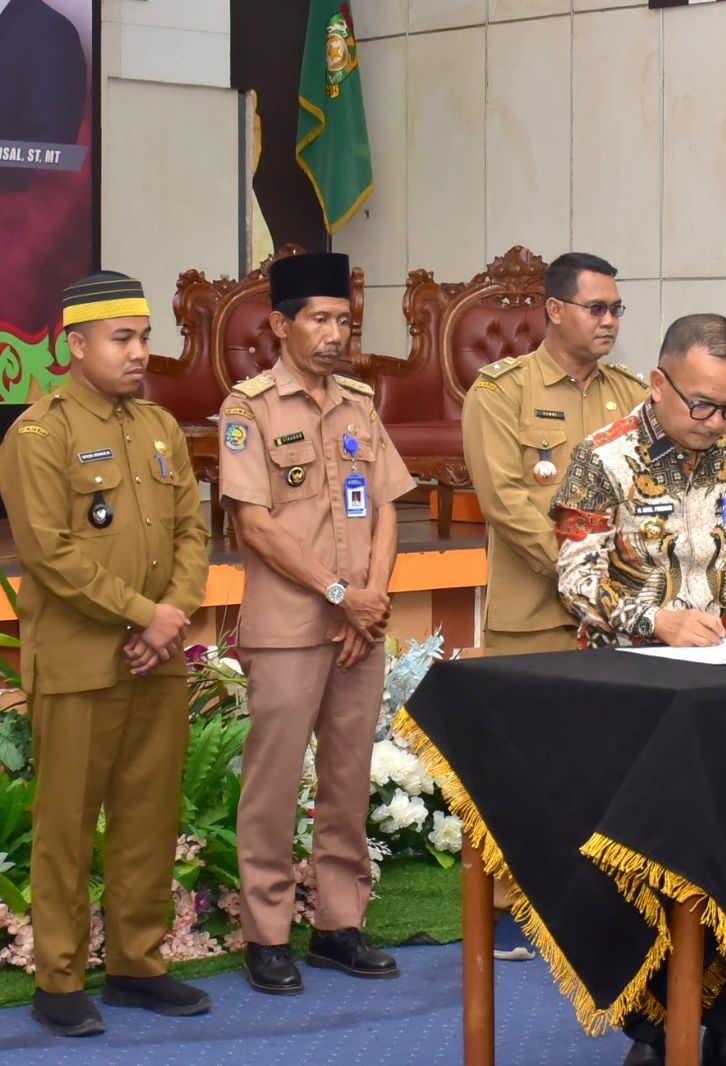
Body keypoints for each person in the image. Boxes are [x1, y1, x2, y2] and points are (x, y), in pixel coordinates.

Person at [551, 312, 726, 1066]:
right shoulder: (603, 456)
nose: (716, 421)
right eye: (702, 403)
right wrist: (654, 619)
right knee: (645, 864)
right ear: (657, 383)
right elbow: (574, 577)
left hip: (725, 680)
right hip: (627, 684)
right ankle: (650, 1035)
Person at [0, 272, 211, 1036]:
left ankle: (136, 965)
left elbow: (192, 530)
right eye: (123, 338)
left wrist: (170, 619)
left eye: (144, 337)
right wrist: (144, 616)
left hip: (156, 660)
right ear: (76, 344)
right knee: (66, 825)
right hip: (79, 664)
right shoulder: (38, 435)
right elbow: (49, 553)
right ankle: (58, 981)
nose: (139, 352)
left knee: (148, 819)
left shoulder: (159, 426)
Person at [218, 252, 416, 996]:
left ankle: (338, 924)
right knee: (273, 784)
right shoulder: (251, 409)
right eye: (320, 320)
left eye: (344, 321)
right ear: (281, 325)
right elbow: (255, 526)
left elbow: (388, 506)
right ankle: (267, 934)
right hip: (291, 627)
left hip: (359, 624)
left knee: (347, 777)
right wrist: (342, 593)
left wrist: (372, 597)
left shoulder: (359, 402)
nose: (336, 334)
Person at [460, 250, 648, 958]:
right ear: (555, 310)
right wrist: (583, 578)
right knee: (527, 770)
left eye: (616, 309)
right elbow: (506, 501)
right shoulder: (502, 391)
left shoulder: (633, 393)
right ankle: (516, 913)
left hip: (618, 618)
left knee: (609, 767)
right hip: (536, 614)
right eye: (597, 308)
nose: (610, 321)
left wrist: (625, 588)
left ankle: (599, 909)